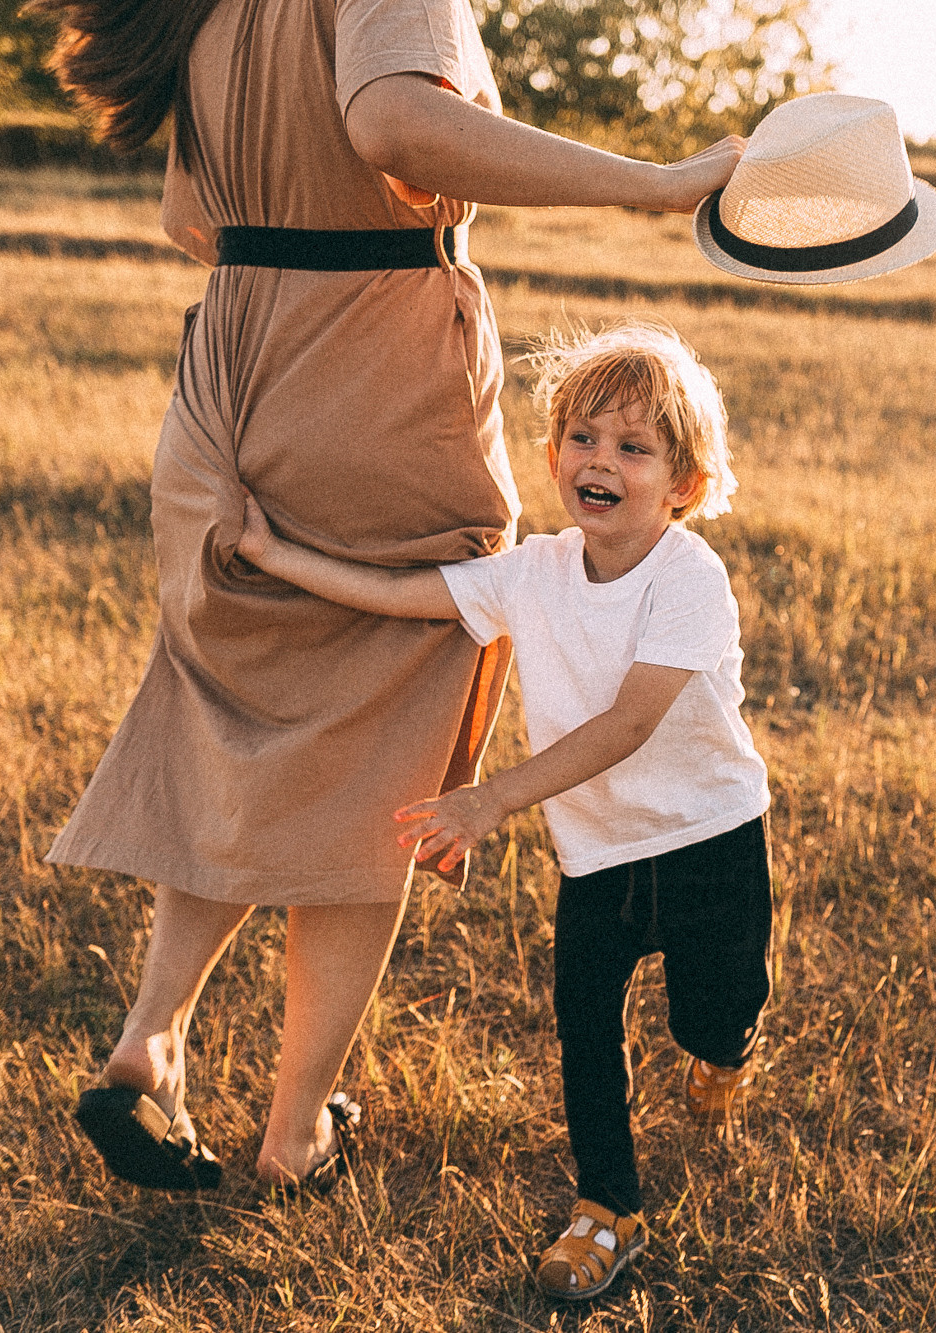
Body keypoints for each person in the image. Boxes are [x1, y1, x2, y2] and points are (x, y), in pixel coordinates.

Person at [31, 0, 743, 1192]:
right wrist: (657, 183)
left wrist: (283, 265)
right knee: (380, 770)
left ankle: (152, 1040)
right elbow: (396, 125)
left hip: (226, 381)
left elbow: (185, 218)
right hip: (368, 383)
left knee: (236, 720)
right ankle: (294, 1127)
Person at [236, 320, 774, 1300]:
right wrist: (277, 558)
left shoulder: (690, 579)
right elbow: (407, 597)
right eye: (581, 436)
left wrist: (488, 801)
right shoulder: (532, 570)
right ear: (551, 451)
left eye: (632, 447)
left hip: (710, 839)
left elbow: (626, 725)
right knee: (584, 1029)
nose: (597, 460)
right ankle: (605, 1207)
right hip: (596, 856)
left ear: (683, 485)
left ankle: (722, 1056)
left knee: (717, 1011)